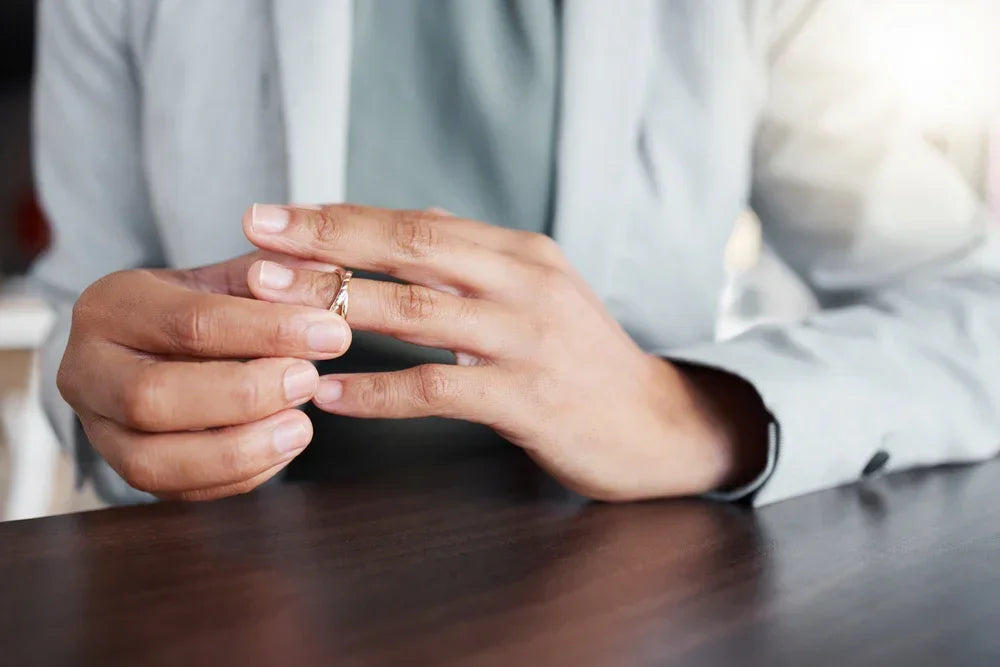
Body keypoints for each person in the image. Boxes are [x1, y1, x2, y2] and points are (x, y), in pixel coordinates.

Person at [32, 0, 1000, 506]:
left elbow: (977, 312)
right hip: (236, 593)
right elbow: (81, 324)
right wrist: (121, 400)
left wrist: (693, 414)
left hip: (622, 593)